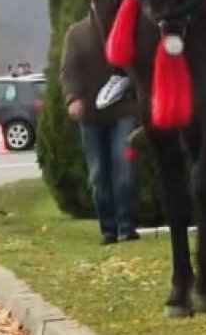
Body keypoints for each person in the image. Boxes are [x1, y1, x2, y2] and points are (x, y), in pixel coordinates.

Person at [62, 13, 139, 246]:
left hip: (122, 111)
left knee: (123, 166)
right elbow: (69, 70)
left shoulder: (125, 29)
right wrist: (72, 98)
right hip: (91, 116)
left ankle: (126, 226)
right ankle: (108, 230)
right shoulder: (77, 33)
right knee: (98, 174)